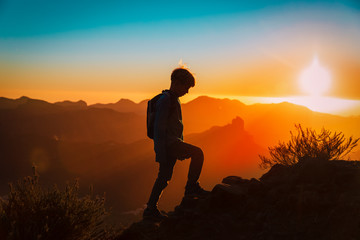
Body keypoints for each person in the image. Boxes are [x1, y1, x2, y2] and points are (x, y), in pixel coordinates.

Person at [143, 67, 209, 220]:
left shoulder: (172, 99)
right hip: (170, 145)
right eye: (186, 87)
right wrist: (161, 153)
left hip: (171, 145)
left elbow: (173, 127)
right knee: (198, 153)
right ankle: (192, 187)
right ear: (177, 83)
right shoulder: (166, 100)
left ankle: (150, 209)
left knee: (164, 177)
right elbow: (159, 128)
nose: (187, 91)